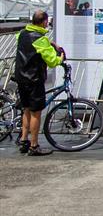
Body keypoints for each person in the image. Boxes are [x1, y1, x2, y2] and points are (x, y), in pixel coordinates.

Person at [15, 10, 64, 156]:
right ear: (44, 22)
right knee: (37, 112)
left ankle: (24, 141)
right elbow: (51, 60)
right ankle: (34, 145)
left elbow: (31, 40)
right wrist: (60, 57)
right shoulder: (40, 39)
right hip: (34, 79)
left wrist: (50, 41)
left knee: (26, 109)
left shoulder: (22, 34)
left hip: (21, 77)